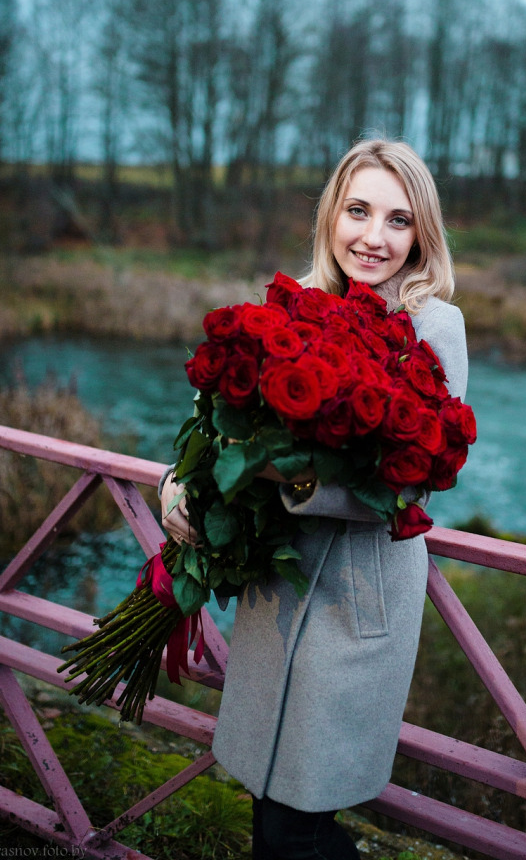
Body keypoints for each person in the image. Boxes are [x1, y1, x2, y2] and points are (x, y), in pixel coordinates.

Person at [161, 138, 468, 860]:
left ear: (422, 232)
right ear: (332, 215)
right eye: (358, 211)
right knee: (271, 808)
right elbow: (218, 432)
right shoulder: (294, 310)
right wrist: (179, 483)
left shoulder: (433, 325)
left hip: (354, 606)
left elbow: (411, 485)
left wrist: (289, 480)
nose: (374, 236)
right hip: (278, 593)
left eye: (398, 220)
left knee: (299, 823)